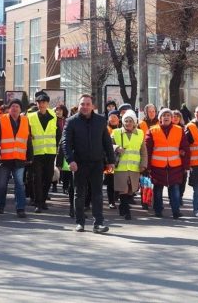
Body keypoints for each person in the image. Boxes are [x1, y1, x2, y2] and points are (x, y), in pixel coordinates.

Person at [63, 94, 115, 233]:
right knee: (79, 194)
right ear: (78, 106)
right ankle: (80, 222)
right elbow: (65, 143)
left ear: (92, 106)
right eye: (82, 104)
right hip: (79, 163)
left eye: (88, 104)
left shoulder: (100, 121)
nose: (85, 107)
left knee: (97, 194)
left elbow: (107, 142)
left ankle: (98, 223)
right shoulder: (71, 121)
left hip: (97, 163)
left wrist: (111, 161)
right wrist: (70, 160)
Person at [146, 108, 190, 219]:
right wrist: (147, 167)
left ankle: (176, 211)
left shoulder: (179, 130)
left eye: (168, 115)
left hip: (175, 166)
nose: (166, 117)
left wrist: (186, 166)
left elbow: (185, 148)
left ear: (172, 118)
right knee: (158, 190)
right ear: (160, 118)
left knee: (175, 189)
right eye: (163, 115)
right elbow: (147, 150)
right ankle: (158, 210)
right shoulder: (152, 130)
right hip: (157, 166)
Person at [0, 99, 32, 218]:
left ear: (21, 109)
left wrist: (30, 155)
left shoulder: (25, 121)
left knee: (20, 184)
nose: (15, 109)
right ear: (9, 109)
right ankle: (0, 206)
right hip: (5, 158)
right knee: (1, 184)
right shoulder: (2, 120)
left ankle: (20, 208)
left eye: (17, 107)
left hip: (19, 159)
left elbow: (28, 139)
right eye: (13, 106)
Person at [112, 110, 147, 220]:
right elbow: (108, 145)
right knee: (123, 189)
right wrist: (116, 148)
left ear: (135, 122)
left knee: (130, 190)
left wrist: (143, 164)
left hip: (134, 167)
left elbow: (143, 152)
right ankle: (127, 210)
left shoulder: (140, 133)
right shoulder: (116, 132)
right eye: (126, 121)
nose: (128, 123)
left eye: (130, 121)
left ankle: (122, 206)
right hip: (120, 167)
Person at [27, 90, 58, 213]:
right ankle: (38, 202)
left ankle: (43, 200)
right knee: (37, 178)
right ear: (37, 103)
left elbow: (58, 132)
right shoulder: (31, 117)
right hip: (36, 152)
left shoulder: (53, 115)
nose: (42, 105)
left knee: (48, 177)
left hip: (50, 152)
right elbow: (27, 133)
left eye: (44, 102)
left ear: (48, 103)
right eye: (39, 102)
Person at [170, 110, 187, 205]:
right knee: (172, 180)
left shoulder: (185, 129)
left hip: (182, 158)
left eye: (177, 116)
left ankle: (180, 196)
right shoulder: (168, 128)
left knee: (183, 179)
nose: (175, 118)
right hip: (171, 158)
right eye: (173, 116)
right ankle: (172, 198)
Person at [105, 110, 121, 209]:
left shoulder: (122, 129)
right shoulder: (105, 129)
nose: (113, 119)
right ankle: (111, 201)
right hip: (108, 160)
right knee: (110, 180)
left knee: (119, 179)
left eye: (115, 117)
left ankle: (116, 196)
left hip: (120, 160)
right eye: (111, 117)